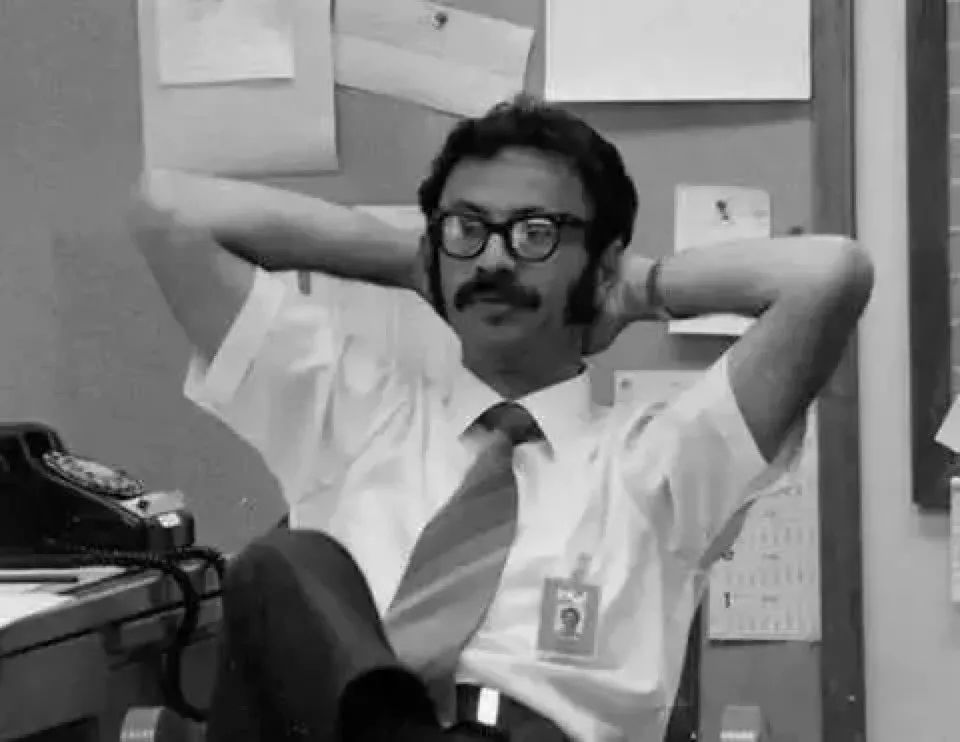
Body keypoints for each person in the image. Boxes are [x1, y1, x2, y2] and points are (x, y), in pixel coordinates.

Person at [128, 96, 873, 742]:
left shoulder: (657, 464)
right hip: (354, 727)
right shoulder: (353, 413)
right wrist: (413, 260)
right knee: (280, 567)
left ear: (601, 264)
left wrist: (642, 288)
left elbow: (828, 276)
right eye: (467, 230)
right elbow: (169, 213)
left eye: (535, 233)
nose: (493, 261)